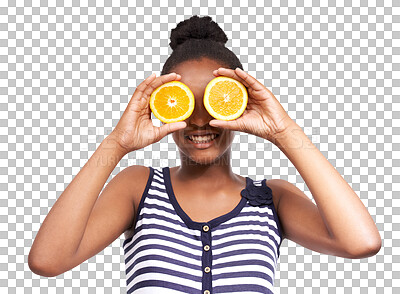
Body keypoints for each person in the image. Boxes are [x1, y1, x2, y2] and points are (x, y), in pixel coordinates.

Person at [28, 15, 381, 293]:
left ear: (239, 103)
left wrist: (284, 132)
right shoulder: (138, 187)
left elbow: (361, 243)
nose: (199, 121)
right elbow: (47, 261)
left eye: (214, 103)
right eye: (183, 105)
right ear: (161, 108)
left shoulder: (273, 198)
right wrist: (117, 143)